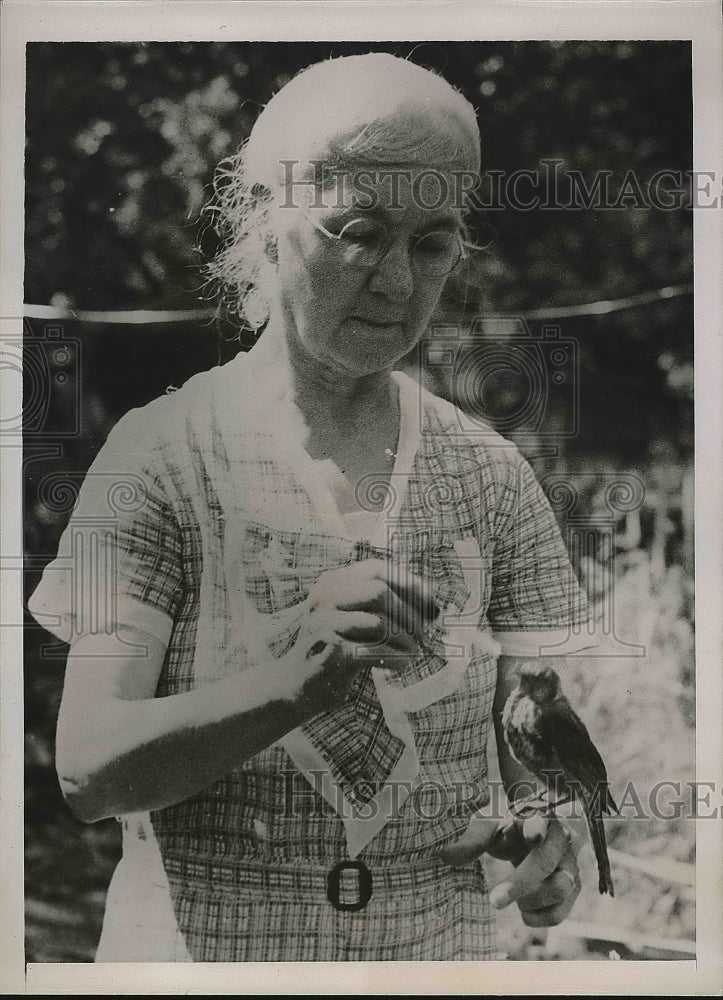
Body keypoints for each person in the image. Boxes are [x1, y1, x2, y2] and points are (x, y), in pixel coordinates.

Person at [29, 52, 591, 962]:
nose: (398, 283)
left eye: (432, 241)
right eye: (358, 231)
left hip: (435, 966)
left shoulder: (492, 477)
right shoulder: (157, 456)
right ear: (264, 226)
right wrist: (290, 683)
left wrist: (544, 843)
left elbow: (538, 762)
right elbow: (88, 767)